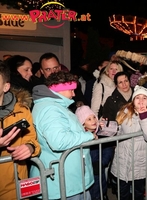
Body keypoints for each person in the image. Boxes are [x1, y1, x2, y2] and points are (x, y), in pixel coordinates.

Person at [30, 71, 95, 199]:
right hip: (63, 182)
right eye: (71, 90)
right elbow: (59, 141)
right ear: (60, 89)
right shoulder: (50, 109)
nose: (74, 94)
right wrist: (88, 136)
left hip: (67, 180)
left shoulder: (53, 106)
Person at [0, 61, 41, 199]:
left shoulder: (22, 111)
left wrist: (29, 148)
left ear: (5, 86)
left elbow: (32, 140)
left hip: (14, 187)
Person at [110, 85, 147, 200]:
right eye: (138, 98)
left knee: (138, 194)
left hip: (139, 163)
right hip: (122, 161)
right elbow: (117, 132)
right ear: (133, 100)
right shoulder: (123, 112)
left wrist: (144, 117)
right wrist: (106, 128)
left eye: (144, 98)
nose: (141, 101)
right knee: (123, 194)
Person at [75, 105, 112, 200]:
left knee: (100, 190)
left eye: (94, 117)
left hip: (99, 169)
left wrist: (101, 163)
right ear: (82, 123)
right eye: (89, 119)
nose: (93, 121)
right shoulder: (80, 137)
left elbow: (108, 149)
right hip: (86, 173)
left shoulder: (101, 133)